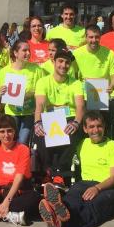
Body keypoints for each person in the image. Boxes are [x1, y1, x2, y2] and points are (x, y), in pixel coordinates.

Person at [38, 111, 114, 227]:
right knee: (71, 199)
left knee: (94, 204)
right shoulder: (82, 144)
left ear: (104, 126)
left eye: (99, 126)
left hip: (109, 187)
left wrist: (97, 188)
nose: (96, 130)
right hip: (85, 183)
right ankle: (60, 217)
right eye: (91, 127)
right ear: (85, 129)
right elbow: (61, 148)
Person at [33, 48, 85, 181]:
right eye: (60, 61)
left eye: (67, 62)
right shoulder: (43, 82)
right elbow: (39, 104)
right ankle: (48, 171)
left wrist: (76, 123)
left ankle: (60, 172)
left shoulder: (76, 83)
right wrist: (37, 122)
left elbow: (80, 106)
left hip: (70, 117)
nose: (63, 65)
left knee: (72, 134)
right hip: (50, 117)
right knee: (40, 134)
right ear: (54, 62)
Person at [0, 40, 42, 144]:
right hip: (12, 112)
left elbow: (41, 92)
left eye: (29, 50)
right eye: (24, 50)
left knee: (22, 141)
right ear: (15, 53)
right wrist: (1, 93)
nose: (28, 53)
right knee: (11, 141)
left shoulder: (36, 69)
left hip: (29, 113)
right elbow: (2, 99)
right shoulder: (4, 71)